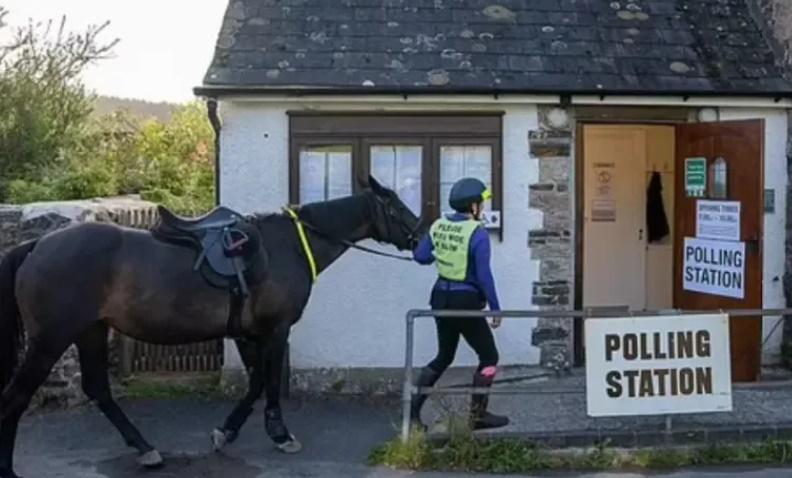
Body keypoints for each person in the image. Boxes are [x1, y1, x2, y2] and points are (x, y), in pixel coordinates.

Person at [411, 177, 509, 431]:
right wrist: (496, 308)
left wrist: (441, 254)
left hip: (440, 298)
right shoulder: (477, 233)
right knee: (489, 356)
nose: (483, 208)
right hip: (465, 301)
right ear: (473, 207)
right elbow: (484, 275)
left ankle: (412, 414)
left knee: (443, 356)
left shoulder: (437, 226)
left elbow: (420, 257)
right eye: (481, 204)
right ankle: (478, 416)